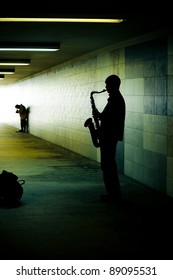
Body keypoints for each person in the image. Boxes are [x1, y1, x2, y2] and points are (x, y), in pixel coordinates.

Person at [93, 74, 126, 203]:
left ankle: (113, 195)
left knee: (108, 166)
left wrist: (98, 115)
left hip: (109, 136)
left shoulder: (116, 99)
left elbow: (110, 119)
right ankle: (113, 194)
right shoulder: (114, 98)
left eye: (107, 85)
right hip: (109, 135)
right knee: (108, 165)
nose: (105, 87)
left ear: (113, 85)